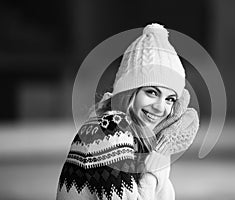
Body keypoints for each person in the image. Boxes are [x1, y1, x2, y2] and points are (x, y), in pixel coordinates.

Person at [56, 23, 199, 200]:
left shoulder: (136, 137)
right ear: (129, 91)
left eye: (170, 99)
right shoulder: (109, 130)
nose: (161, 108)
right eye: (152, 92)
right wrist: (155, 171)